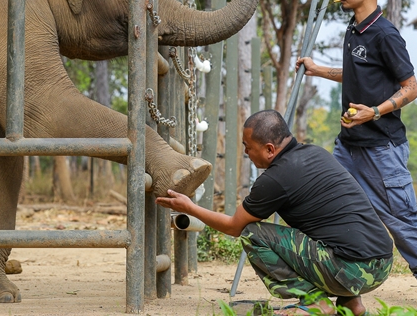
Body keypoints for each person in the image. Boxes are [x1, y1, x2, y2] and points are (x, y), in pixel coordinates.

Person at [295, 0, 417, 305]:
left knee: (399, 216)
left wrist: (374, 112)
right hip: (347, 146)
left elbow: (411, 88)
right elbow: (356, 74)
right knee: (330, 206)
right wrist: (318, 70)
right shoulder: (353, 29)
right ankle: (333, 280)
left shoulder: (386, 35)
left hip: (382, 148)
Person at [157, 110, 393, 315]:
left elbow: (234, 227)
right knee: (327, 232)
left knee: (253, 233)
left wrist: (190, 208)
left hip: (352, 270)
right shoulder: (315, 153)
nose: (247, 154)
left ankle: (316, 304)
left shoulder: (274, 179)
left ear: (270, 149)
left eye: (248, 148)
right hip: (382, 264)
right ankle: (352, 306)